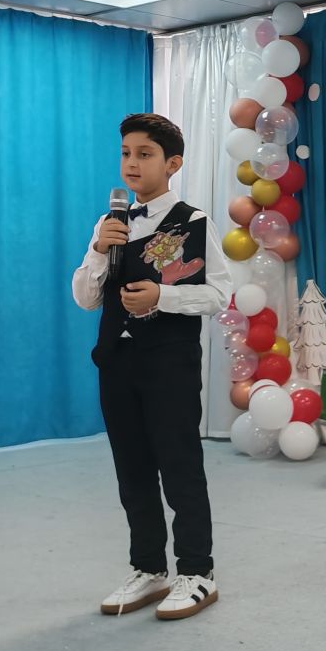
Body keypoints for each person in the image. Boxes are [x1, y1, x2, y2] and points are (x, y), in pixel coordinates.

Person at [72, 113, 232, 621]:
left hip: (168, 362)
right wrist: (99, 249)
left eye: (144, 154)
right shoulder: (109, 225)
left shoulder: (194, 222)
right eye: (126, 153)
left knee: (179, 465)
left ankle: (197, 571)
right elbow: (85, 297)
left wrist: (162, 297)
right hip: (116, 361)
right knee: (132, 468)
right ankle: (148, 567)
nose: (132, 163)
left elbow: (218, 294)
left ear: (173, 163)